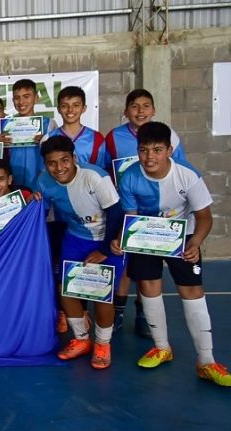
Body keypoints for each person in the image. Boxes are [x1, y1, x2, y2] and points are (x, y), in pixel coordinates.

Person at [111, 122, 230, 386]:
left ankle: (207, 361)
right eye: (143, 150)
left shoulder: (188, 175)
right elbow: (130, 217)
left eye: (157, 150)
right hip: (145, 234)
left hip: (183, 236)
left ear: (169, 150)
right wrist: (121, 239)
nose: (149, 157)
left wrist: (195, 243)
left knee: (192, 290)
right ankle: (162, 347)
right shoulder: (129, 177)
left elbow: (204, 216)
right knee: (148, 286)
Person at [102, 89, 188, 337]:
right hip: (126, 207)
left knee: (146, 266)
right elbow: (105, 168)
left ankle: (143, 312)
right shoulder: (114, 137)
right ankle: (118, 311)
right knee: (123, 260)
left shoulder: (169, 135)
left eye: (146, 106)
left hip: (158, 213)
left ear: (153, 110)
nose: (140, 111)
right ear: (126, 111)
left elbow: (180, 168)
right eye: (135, 106)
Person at [36, 136, 125, 369]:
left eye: (64, 160)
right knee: (65, 288)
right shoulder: (44, 181)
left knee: (101, 293)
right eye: (52, 163)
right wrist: (33, 201)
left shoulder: (95, 177)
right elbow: (39, 215)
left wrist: (105, 250)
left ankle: (103, 344)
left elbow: (116, 213)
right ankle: (82, 339)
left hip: (107, 239)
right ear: (45, 164)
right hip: (75, 238)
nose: (59, 168)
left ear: (74, 158)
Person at [0, 78, 57, 188]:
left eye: (26, 96)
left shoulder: (49, 124)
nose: (21, 102)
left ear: (36, 98)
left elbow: (57, 153)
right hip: (13, 183)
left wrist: (47, 142)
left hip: (41, 182)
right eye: (17, 98)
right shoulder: (6, 125)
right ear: (13, 100)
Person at [43, 86, 107, 169]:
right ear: (58, 109)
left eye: (76, 105)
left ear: (84, 108)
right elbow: (46, 169)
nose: (70, 110)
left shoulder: (97, 138)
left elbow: (101, 170)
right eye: (64, 106)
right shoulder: (48, 138)